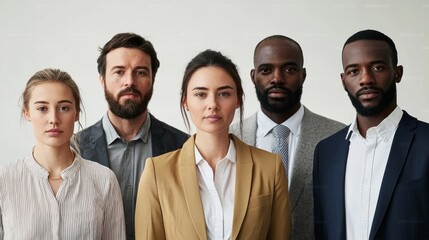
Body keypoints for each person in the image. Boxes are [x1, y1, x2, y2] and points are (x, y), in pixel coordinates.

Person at [135, 49, 291, 239]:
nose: (212, 104)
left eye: (224, 94)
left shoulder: (270, 168)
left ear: (238, 100)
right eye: (200, 94)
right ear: (185, 101)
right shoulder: (157, 173)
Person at [313, 29, 429, 239]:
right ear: (343, 80)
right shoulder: (326, 152)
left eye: (377, 67)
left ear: (398, 72)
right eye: (354, 71)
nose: (366, 79)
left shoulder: (426, 141)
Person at [230, 35, 345, 239]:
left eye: (289, 69)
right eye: (266, 70)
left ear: (303, 75)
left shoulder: (338, 137)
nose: (277, 79)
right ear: (253, 76)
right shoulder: (229, 137)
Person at [76, 33, 189, 239]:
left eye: (141, 72)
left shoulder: (183, 147)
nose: (130, 81)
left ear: (153, 79)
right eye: (119, 72)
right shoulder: (74, 148)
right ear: (102, 80)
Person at [0, 68, 125, 239]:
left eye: (64, 108)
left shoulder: (104, 180)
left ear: (76, 114)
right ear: (27, 113)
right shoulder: (4, 181)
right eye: (42, 108)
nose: (53, 118)